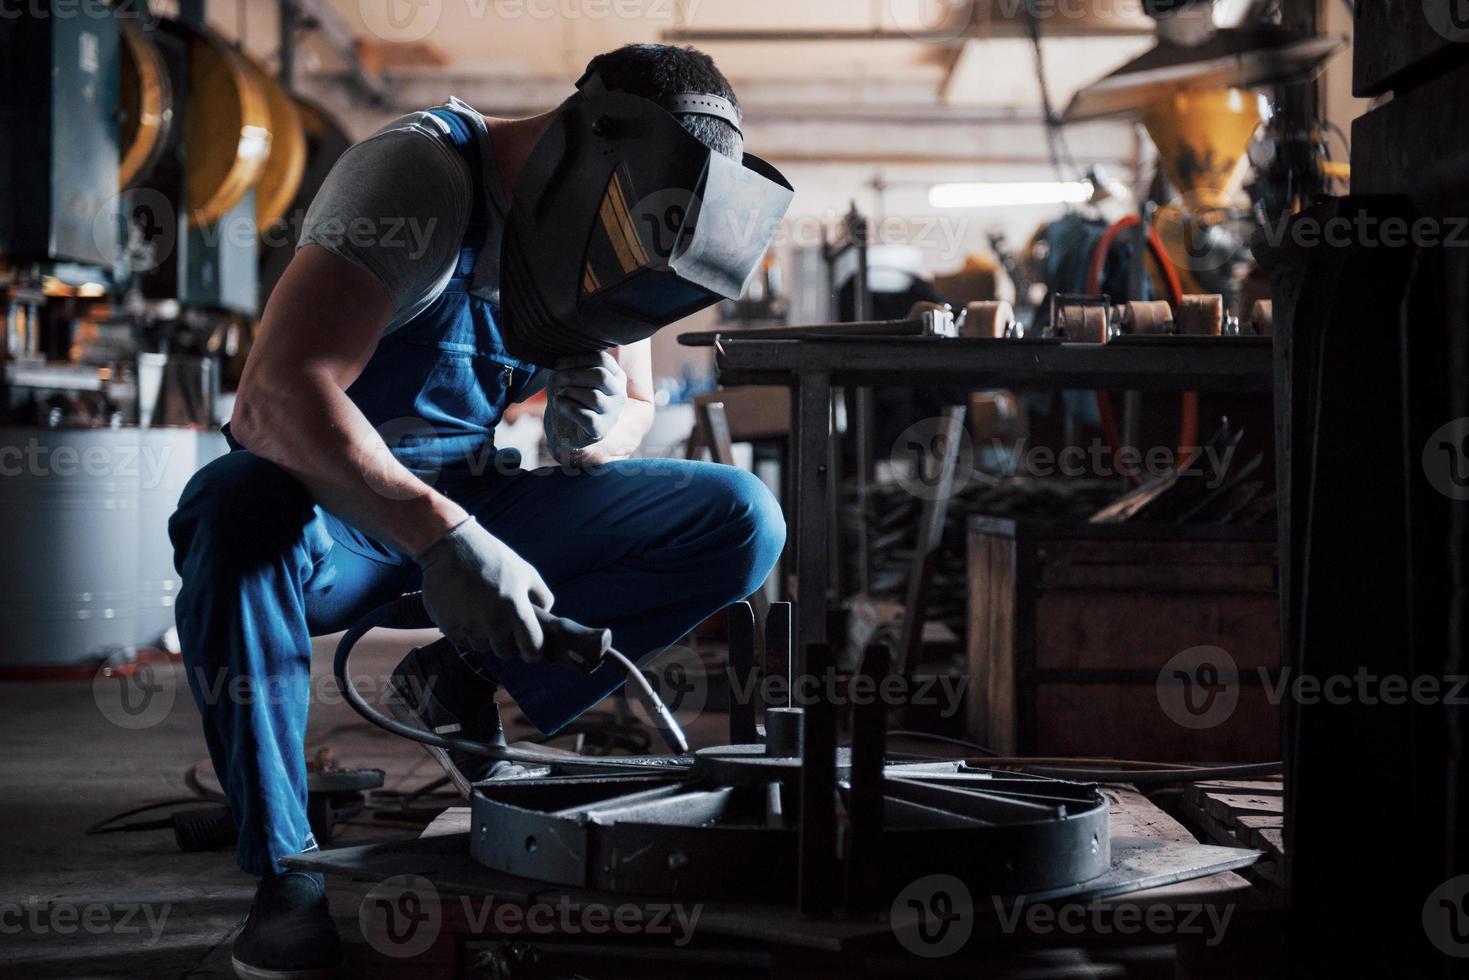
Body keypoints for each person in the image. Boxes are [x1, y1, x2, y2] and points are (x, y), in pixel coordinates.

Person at [168, 43, 790, 980]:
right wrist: (445, 537)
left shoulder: (626, 217)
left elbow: (633, 401)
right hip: (332, 519)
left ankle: (455, 676)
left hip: (478, 493)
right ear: (590, 149)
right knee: (233, 509)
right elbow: (273, 398)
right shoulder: (415, 176)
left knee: (742, 516)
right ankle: (286, 867)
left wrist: (599, 422)